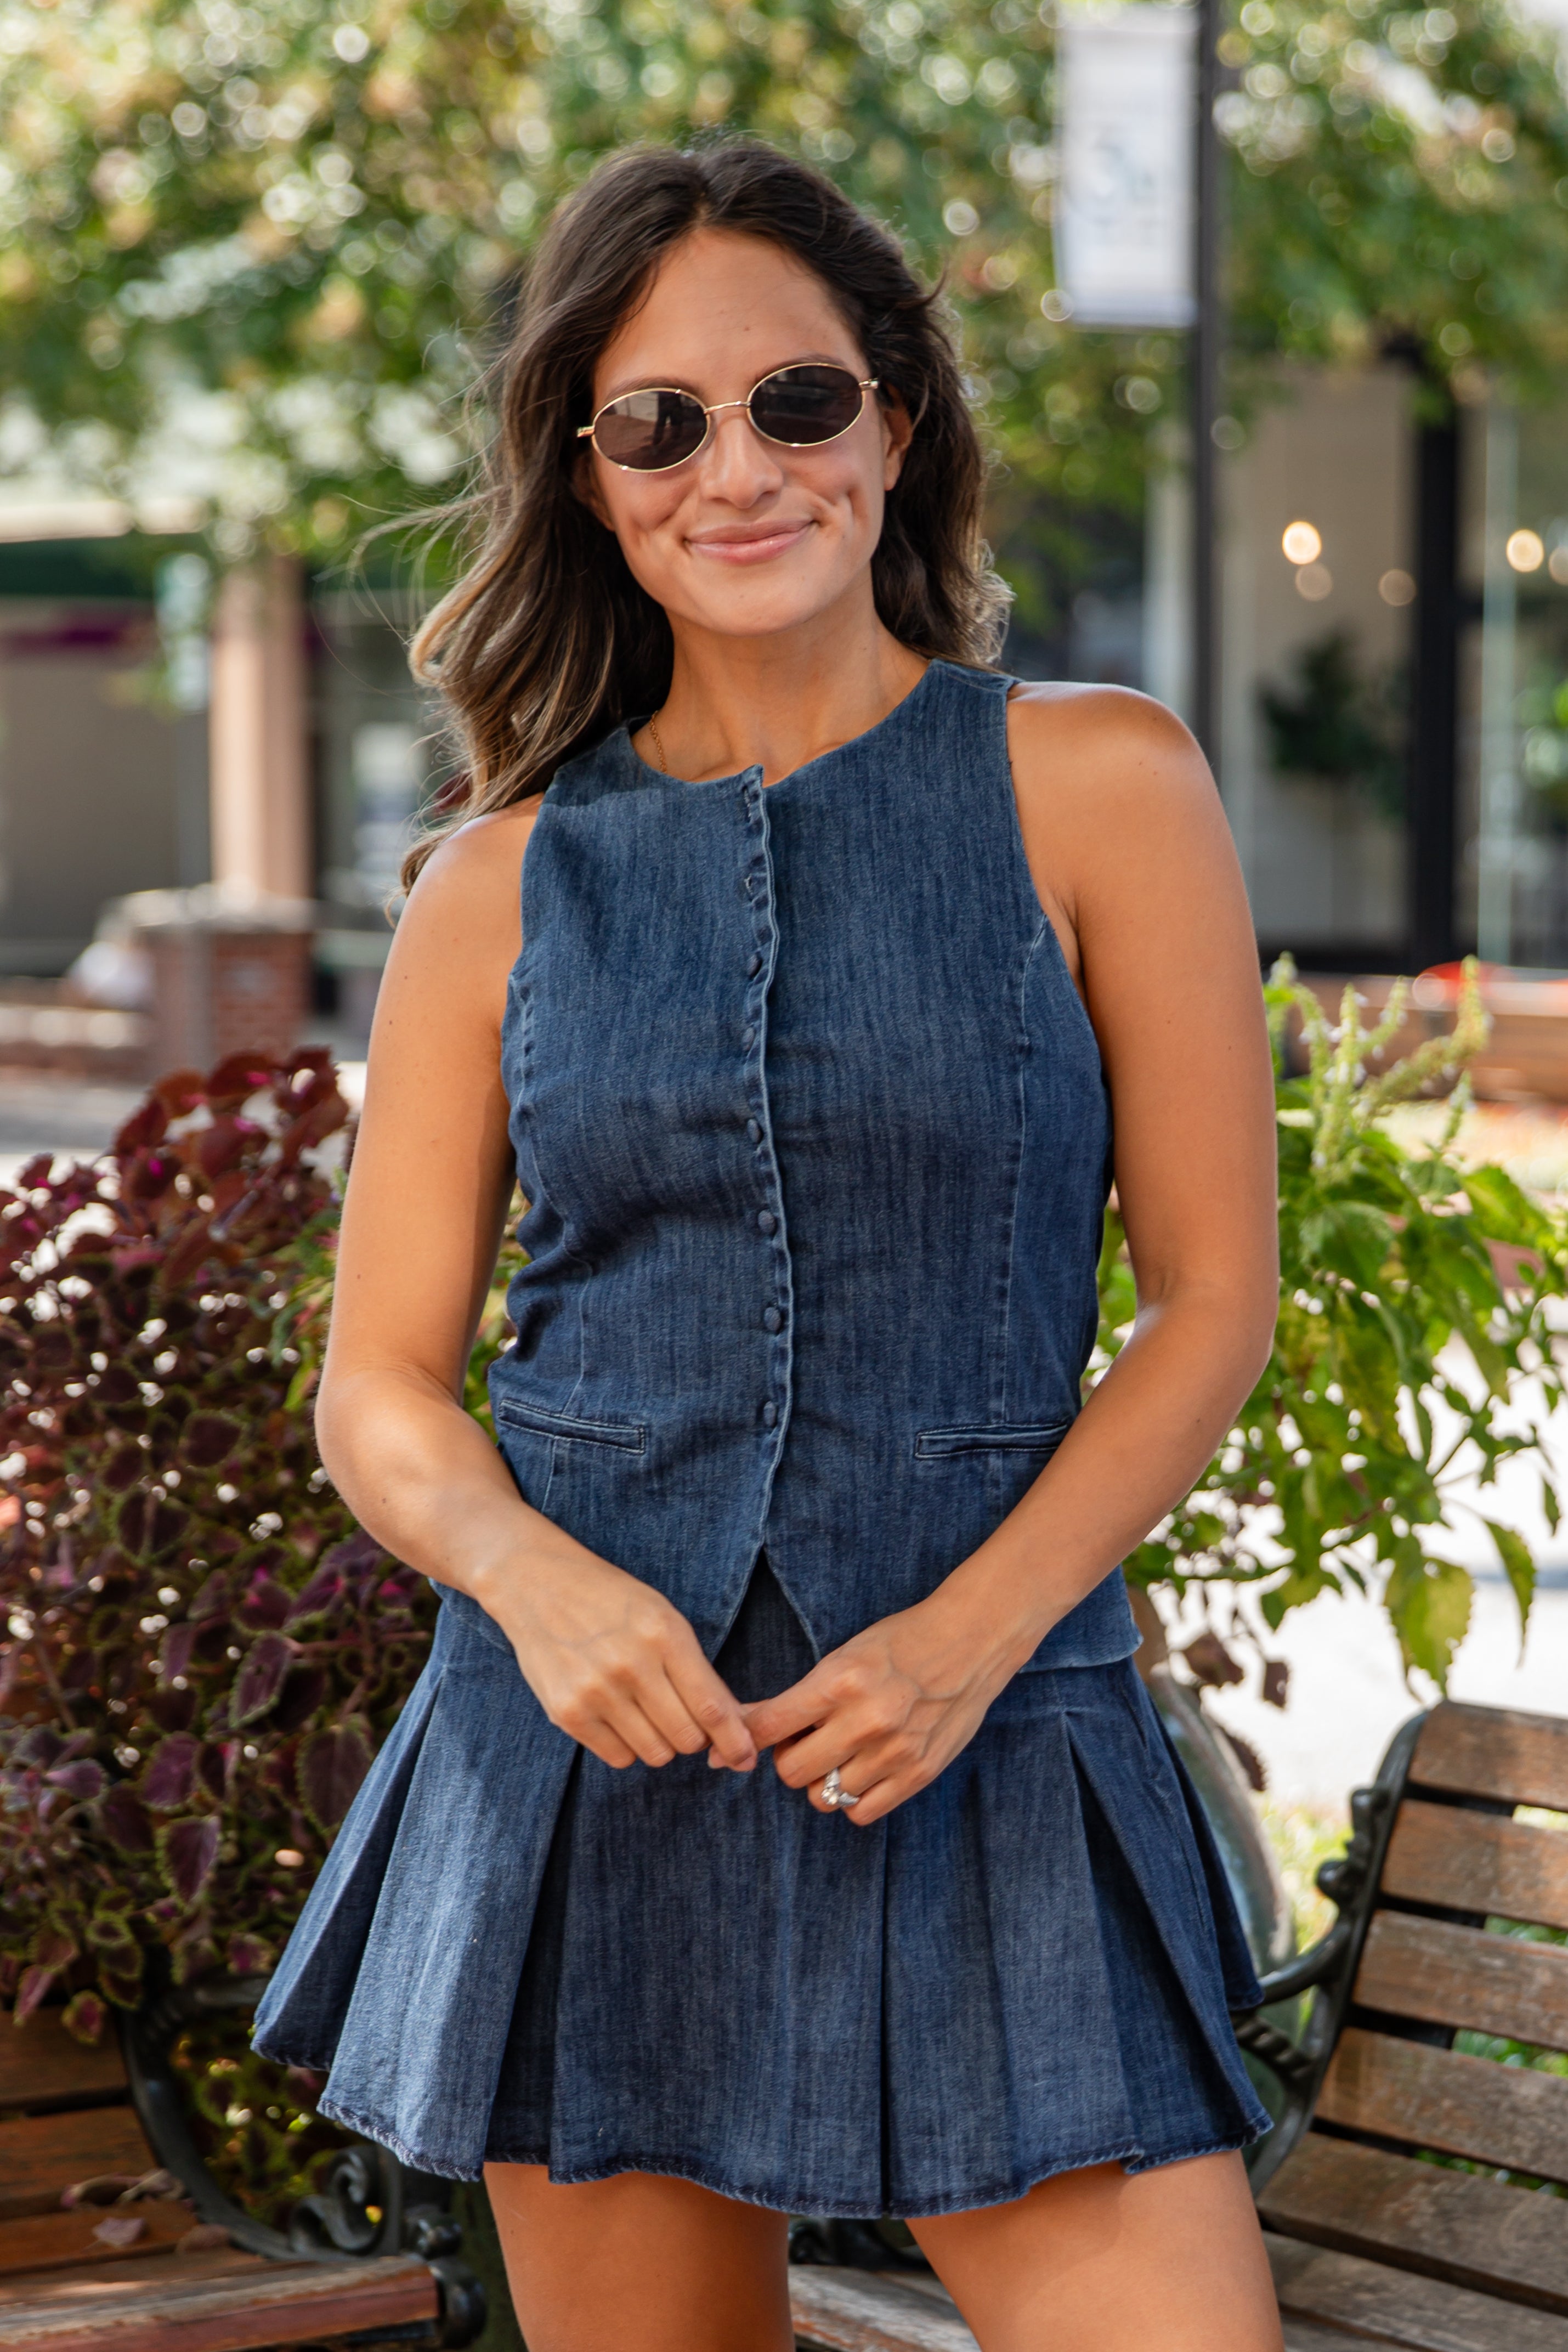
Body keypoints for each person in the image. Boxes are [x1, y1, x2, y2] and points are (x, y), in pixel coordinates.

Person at [253, 141, 1284, 2352]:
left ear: (896, 424)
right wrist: (537, 1584)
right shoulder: (494, 887)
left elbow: (1214, 1297)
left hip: (996, 1737)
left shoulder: (1100, 784)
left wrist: (971, 1636)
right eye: (661, 421)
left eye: (798, 401)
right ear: (591, 472)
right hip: (599, 1770)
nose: (742, 465)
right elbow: (381, 1385)